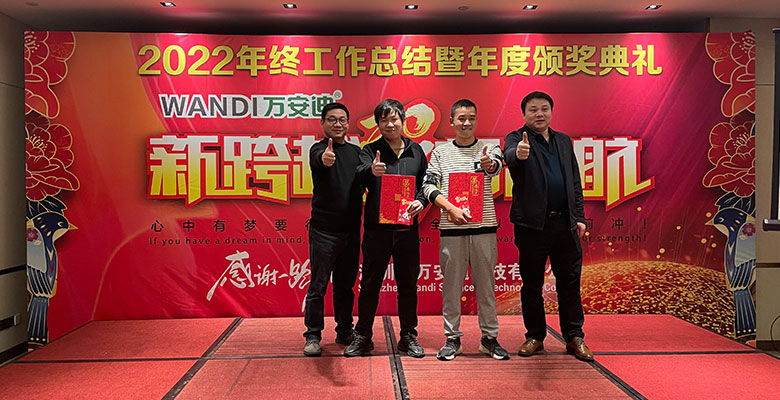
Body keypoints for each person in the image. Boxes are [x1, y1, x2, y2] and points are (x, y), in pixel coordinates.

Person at [502, 91, 594, 362]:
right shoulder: (516, 138)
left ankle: (574, 337)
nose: (539, 114)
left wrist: (579, 217)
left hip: (565, 224)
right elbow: (510, 156)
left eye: (544, 109)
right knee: (532, 283)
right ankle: (535, 336)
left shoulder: (563, 141)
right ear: (524, 114)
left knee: (569, 282)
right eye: (533, 110)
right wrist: (519, 154)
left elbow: (574, 181)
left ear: (551, 112)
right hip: (532, 226)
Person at [422, 99, 509, 361]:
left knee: (486, 287)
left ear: (476, 120)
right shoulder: (440, 152)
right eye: (461, 118)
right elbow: (428, 186)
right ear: (451, 121)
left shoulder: (489, 149)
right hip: (452, 229)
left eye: (471, 117)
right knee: (451, 287)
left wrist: (488, 164)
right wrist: (450, 208)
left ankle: (489, 339)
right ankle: (452, 339)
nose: (466, 123)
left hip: (484, 229)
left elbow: (496, 166)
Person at [344, 99, 429, 358]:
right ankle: (363, 335)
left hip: (407, 231)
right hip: (377, 231)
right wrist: (371, 171)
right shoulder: (370, 150)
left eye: (394, 119)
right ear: (378, 124)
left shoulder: (417, 151)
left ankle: (408, 335)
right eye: (384, 120)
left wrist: (421, 201)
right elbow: (357, 179)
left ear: (403, 121)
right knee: (370, 285)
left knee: (408, 286)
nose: (390, 124)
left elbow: (426, 184)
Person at [302, 102, 362, 357]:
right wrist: (325, 159)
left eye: (342, 120)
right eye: (332, 119)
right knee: (318, 286)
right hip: (324, 232)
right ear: (323, 123)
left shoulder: (357, 152)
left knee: (346, 287)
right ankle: (313, 335)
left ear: (348, 123)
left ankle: (345, 330)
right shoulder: (318, 149)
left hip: (351, 231)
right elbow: (320, 160)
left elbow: (366, 180)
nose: (338, 124)